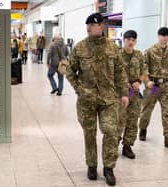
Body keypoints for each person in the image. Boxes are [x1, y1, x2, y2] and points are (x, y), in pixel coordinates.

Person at [66, 13, 129, 186]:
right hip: (87, 101)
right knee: (90, 134)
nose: (88, 28)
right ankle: (92, 165)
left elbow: (120, 71)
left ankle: (109, 168)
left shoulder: (112, 48)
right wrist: (79, 90)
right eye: (87, 25)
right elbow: (69, 70)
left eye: (92, 25)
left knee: (110, 131)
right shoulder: (80, 48)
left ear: (101, 25)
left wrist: (124, 93)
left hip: (108, 99)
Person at [139, 27, 168, 148]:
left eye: (167, 36)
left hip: (165, 87)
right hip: (153, 86)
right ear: (158, 36)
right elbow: (144, 69)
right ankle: (142, 129)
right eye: (163, 35)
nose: (165, 38)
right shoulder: (149, 51)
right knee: (147, 110)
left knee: (166, 112)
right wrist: (147, 82)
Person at [118, 30, 149, 159]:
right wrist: (122, 84)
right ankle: (113, 143)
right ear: (123, 40)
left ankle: (128, 146)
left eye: (133, 40)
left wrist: (139, 81)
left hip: (134, 94)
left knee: (132, 120)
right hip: (119, 93)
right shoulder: (116, 55)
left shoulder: (139, 55)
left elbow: (144, 71)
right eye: (128, 39)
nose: (130, 42)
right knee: (118, 120)